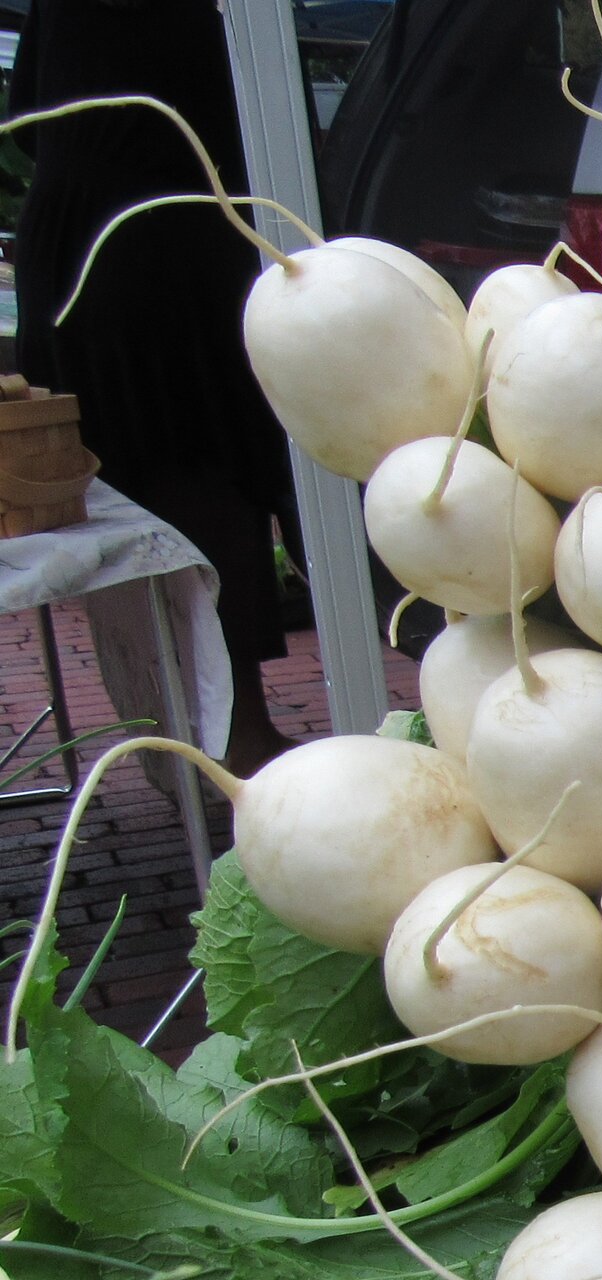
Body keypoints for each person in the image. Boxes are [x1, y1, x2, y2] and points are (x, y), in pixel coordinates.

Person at [11, 0, 302, 773]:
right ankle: (228, 735)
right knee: (199, 483)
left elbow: (32, 113)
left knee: (137, 496)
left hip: (80, 237)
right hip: (158, 248)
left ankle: (176, 727)